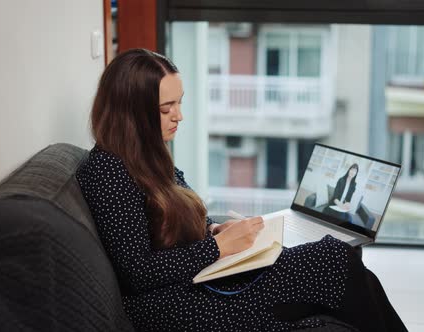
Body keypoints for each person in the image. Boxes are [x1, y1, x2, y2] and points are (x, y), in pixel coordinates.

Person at [76, 49, 407, 332]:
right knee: (332, 261)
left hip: (196, 276)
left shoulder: (147, 155)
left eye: (179, 103)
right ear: (131, 112)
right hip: (172, 304)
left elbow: (165, 224)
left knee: (334, 255)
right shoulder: (109, 172)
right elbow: (137, 272)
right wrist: (217, 247)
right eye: (166, 109)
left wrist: (213, 230)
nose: (179, 116)